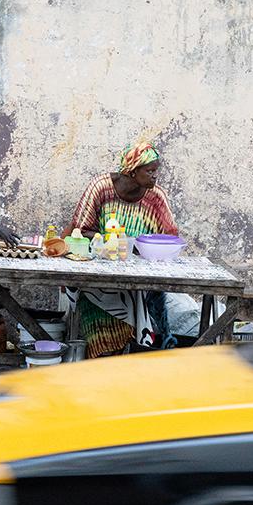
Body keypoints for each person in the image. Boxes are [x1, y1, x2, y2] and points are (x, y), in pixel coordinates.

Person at [66, 142, 180, 358]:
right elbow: (81, 230)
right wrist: (112, 241)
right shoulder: (101, 188)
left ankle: (132, 359)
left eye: (156, 170)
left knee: (145, 308)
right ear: (133, 171)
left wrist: (141, 246)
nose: (155, 176)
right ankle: (104, 360)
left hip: (141, 278)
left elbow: (170, 236)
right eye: (150, 171)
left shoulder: (156, 196)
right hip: (99, 276)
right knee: (102, 331)